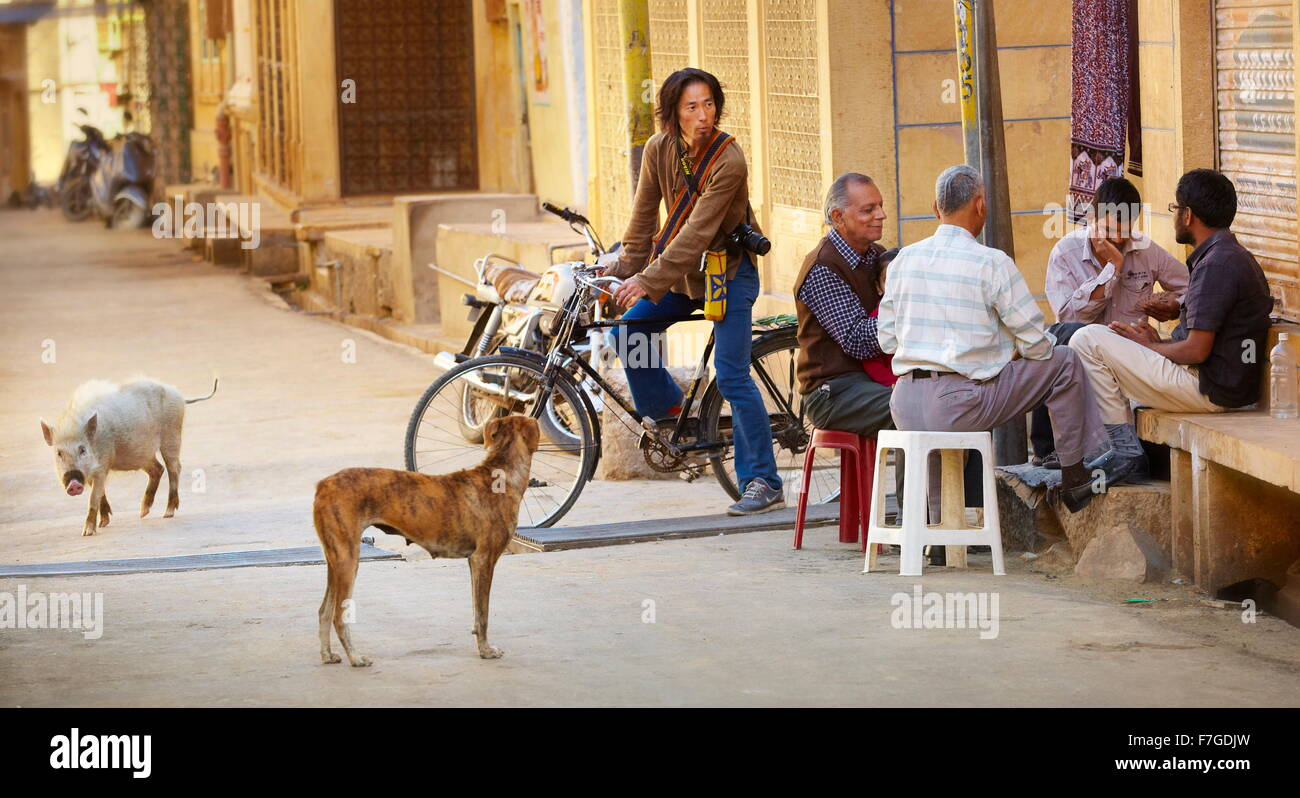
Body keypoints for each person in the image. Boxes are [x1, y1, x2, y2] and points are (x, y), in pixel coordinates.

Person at [878, 165, 1135, 514]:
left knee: (957, 408)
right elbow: (1036, 343)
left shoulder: (902, 260)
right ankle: (1075, 477)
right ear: (981, 205)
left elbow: (888, 341)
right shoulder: (991, 262)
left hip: (905, 404)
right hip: (959, 406)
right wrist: (1004, 356)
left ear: (936, 208)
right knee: (1065, 361)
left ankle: (938, 538)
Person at [604, 68, 784, 516]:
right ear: (673, 114)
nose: (703, 115)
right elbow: (644, 219)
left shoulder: (729, 160)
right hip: (683, 278)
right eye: (691, 107)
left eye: (709, 105)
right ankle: (673, 414)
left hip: (729, 272)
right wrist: (620, 270)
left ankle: (762, 479)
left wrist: (645, 280)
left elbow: (696, 233)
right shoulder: (658, 149)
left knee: (732, 374)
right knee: (629, 333)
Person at [1068, 169, 1274, 475]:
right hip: (1219, 385)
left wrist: (1149, 346)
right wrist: (1156, 343)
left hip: (1209, 390)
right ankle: (1119, 449)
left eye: (1175, 209)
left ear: (1188, 215)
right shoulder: (1225, 255)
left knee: (1085, 340)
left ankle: (1124, 453)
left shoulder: (1217, 264)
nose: (1174, 216)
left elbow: (1196, 351)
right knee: (1101, 351)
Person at [1032, 177, 1190, 466]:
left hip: (1132, 365)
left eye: (1124, 231)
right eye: (1109, 230)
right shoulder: (1065, 254)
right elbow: (1070, 318)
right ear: (1092, 217)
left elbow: (1192, 286)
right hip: (1082, 364)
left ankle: (1122, 452)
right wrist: (1112, 268)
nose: (1117, 239)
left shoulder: (1146, 250)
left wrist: (1172, 306)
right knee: (1061, 337)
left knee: (1153, 459)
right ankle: (1049, 450)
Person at [793, 173, 895, 441]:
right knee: (910, 409)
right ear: (838, 217)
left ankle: (965, 485)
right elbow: (856, 340)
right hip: (832, 391)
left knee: (954, 402)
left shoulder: (875, 255)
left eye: (880, 206)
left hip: (872, 377)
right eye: (868, 210)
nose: (881, 214)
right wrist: (908, 317)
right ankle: (908, 487)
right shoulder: (823, 267)